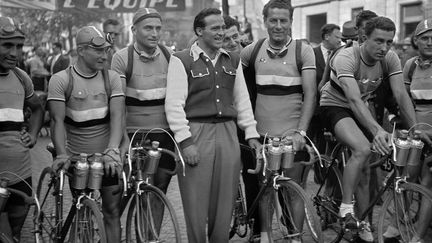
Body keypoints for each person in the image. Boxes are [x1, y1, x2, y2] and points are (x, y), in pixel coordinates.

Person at [319, 16, 425, 242]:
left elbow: (400, 94)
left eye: (389, 42)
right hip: (336, 104)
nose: (384, 47)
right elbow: (353, 99)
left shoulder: (390, 58)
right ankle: (346, 208)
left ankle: (363, 222)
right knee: (362, 149)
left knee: (367, 172)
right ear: (363, 38)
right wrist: (377, 129)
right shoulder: (347, 57)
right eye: (379, 41)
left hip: (362, 106)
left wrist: (415, 126)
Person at [165, 8, 261, 243]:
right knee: (195, 201)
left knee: (225, 200)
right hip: (196, 132)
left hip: (228, 132)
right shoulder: (181, 59)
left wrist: (251, 135)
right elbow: (174, 104)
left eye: (223, 28)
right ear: (199, 31)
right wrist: (185, 142)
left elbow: (242, 100)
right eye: (215, 28)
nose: (221, 33)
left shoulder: (233, 59)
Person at [241, 0, 316, 242]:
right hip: (263, 135)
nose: (278, 25)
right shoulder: (251, 51)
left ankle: (294, 236)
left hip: (293, 134)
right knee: (264, 189)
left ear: (291, 22)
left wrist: (301, 133)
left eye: (284, 20)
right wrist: (250, 132)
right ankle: (265, 235)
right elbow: (242, 94)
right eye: (273, 20)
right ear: (264, 22)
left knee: (294, 191)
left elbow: (311, 94)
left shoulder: (302, 51)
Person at [48, 26, 125, 243]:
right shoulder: (61, 79)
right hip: (76, 157)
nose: (104, 55)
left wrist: (112, 150)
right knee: (82, 210)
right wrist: (62, 154)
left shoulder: (112, 78)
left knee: (111, 211)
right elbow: (56, 121)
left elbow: (118, 117)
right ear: (81, 50)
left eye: (106, 51)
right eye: (98, 51)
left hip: (106, 156)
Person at [111, 8, 174, 194]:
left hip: (165, 134)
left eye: (158, 28)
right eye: (148, 28)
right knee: (127, 191)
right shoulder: (122, 58)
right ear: (134, 30)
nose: (154, 34)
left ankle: (152, 225)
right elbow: (118, 105)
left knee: (159, 188)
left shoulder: (170, 55)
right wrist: (122, 140)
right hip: (133, 134)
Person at [383, 18, 432, 243]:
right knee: (404, 177)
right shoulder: (411, 64)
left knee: (426, 183)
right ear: (416, 41)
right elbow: (402, 98)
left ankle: (418, 237)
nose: (430, 42)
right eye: (424, 38)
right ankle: (396, 225)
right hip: (414, 132)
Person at [0, 16, 44, 242]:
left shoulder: (20, 76)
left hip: (20, 169)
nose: (15, 53)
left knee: (16, 232)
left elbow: (37, 108)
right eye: (7, 45)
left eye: (18, 46)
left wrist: (34, 135)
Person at [222, 14, 262, 241]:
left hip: (249, 124)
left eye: (235, 36)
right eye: (226, 38)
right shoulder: (214, 59)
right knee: (225, 177)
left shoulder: (249, 58)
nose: (232, 42)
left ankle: (256, 229)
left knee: (251, 176)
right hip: (224, 123)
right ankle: (226, 219)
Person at [310, 23, 341, 153]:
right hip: (312, 111)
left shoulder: (341, 55)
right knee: (308, 148)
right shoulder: (311, 54)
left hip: (330, 112)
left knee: (327, 151)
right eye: (337, 37)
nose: (340, 40)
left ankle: (323, 172)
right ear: (327, 36)